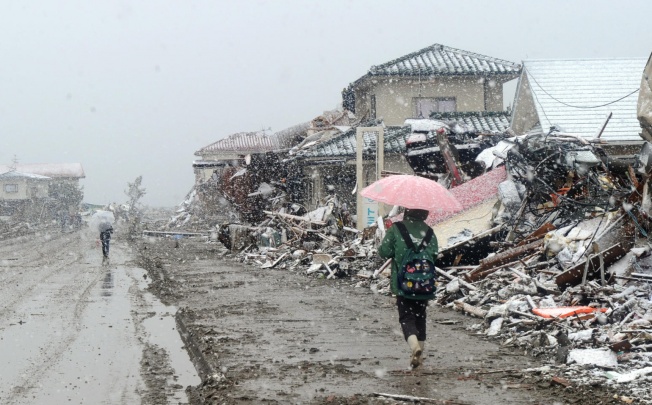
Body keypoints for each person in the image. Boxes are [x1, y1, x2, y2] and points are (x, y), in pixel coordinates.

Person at [378, 208, 438, 369]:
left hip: (403, 283)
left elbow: (384, 252)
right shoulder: (429, 232)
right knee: (420, 317)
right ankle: (421, 354)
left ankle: (414, 347)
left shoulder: (397, 228)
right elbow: (435, 255)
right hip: (424, 284)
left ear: (407, 212)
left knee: (406, 317)